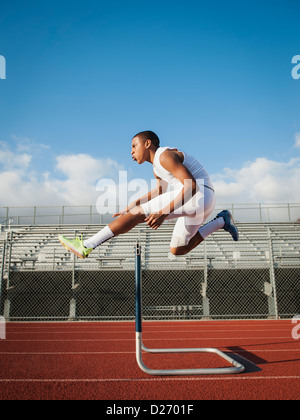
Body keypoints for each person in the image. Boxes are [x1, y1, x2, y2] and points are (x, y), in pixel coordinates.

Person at [58, 131, 239, 259]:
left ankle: (86, 245)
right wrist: (133, 204)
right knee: (178, 249)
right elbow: (160, 191)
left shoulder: (164, 156)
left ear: (147, 143)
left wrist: (163, 212)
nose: (131, 151)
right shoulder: (157, 167)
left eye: (134, 146)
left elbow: (190, 185)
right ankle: (222, 221)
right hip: (203, 201)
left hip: (198, 193)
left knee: (137, 214)